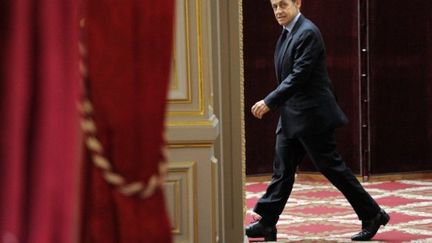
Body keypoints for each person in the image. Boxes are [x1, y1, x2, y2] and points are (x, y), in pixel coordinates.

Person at [246, 0, 390, 241]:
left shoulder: (308, 33)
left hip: (312, 116)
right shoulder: (288, 33)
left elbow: (298, 76)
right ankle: (267, 222)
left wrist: (270, 100)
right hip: (293, 114)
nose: (279, 11)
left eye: (283, 4)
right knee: (282, 169)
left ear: (297, 3)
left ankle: (373, 214)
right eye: (274, 6)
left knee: (332, 168)